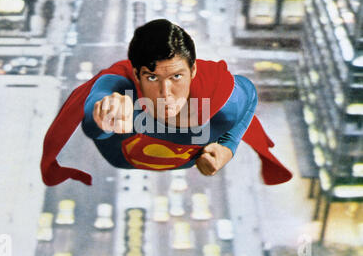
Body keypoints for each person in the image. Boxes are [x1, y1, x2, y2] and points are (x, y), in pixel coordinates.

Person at [40, 19, 292, 187]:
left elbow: (248, 95)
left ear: (193, 71)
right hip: (123, 158)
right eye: (152, 77)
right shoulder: (120, 89)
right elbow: (95, 113)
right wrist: (104, 111)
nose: (165, 92)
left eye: (176, 77)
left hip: (178, 159)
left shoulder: (220, 99)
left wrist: (229, 146)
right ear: (137, 74)